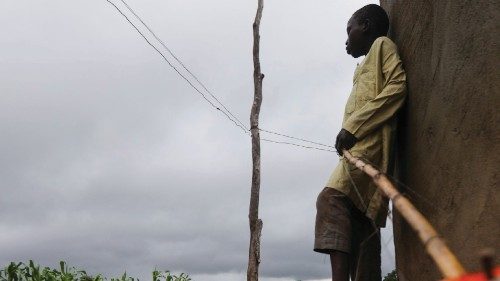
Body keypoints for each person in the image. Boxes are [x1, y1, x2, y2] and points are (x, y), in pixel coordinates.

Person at [314, 4, 406, 281]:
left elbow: (397, 86)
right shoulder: (362, 66)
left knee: (331, 200)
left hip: (368, 148)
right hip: (361, 150)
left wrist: (352, 127)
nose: (346, 39)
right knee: (363, 226)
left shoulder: (381, 45)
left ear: (365, 25)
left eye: (349, 30)